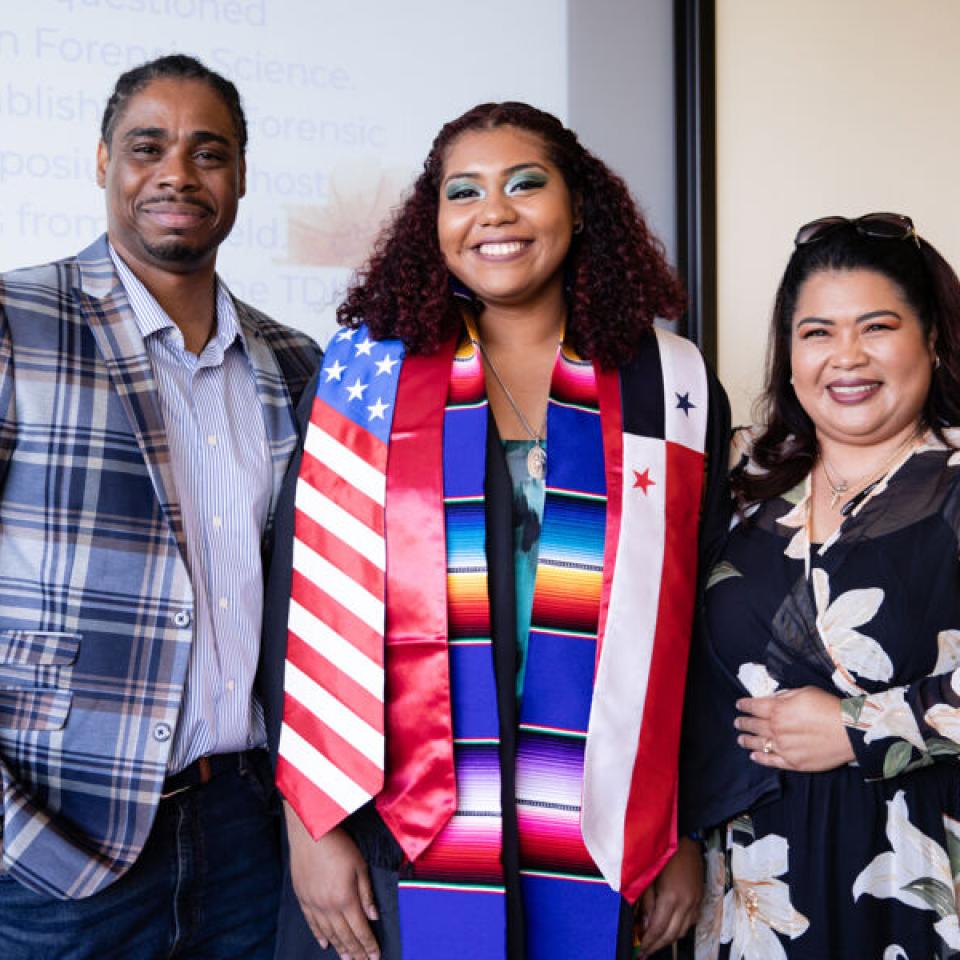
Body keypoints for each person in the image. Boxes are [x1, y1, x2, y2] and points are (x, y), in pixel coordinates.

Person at [262, 101, 730, 960]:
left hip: (604, 815)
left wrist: (684, 829)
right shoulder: (369, 376)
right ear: (432, 222)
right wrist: (311, 821)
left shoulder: (667, 385)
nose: (495, 213)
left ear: (579, 205)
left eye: (526, 184)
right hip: (399, 817)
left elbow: (698, 630)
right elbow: (299, 609)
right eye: (462, 192)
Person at [0, 55, 319, 958]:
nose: (178, 172)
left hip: (249, 839)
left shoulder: (298, 363)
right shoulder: (15, 321)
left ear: (242, 177)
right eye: (149, 146)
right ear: (104, 161)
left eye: (208, 152)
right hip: (55, 846)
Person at [687, 213, 960, 958]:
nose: (847, 357)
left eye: (877, 327)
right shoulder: (740, 485)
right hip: (755, 884)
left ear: (931, 337)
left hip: (919, 868)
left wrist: (860, 728)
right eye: (817, 333)